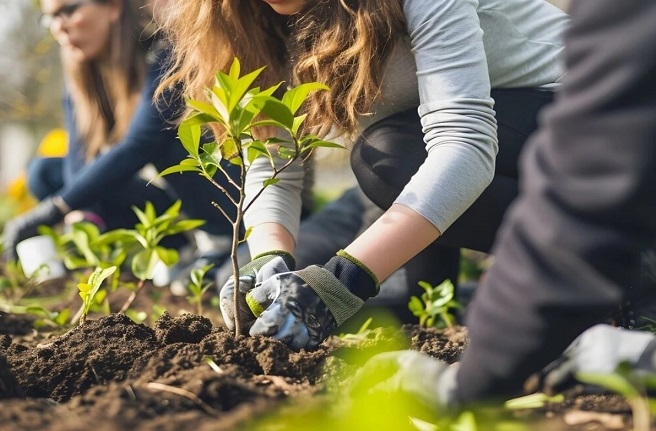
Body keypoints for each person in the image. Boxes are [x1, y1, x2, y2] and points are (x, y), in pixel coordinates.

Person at [347, 0, 656, 411]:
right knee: (391, 155)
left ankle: (653, 264)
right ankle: (651, 266)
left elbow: (597, 178)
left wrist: (475, 379)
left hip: (543, 104)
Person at [158, 0, 571, 345]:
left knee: (385, 157)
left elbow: (465, 144)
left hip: (601, 125)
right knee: (412, 313)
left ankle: (613, 261)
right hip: (462, 144)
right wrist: (267, 258)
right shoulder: (249, 18)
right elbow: (272, 157)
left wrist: (342, 281)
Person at [1, 0, 241, 273]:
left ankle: (217, 243)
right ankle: (166, 251)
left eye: (68, 10)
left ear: (113, 7)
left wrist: (54, 209)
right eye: (51, 18)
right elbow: (79, 158)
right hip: (163, 203)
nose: (59, 27)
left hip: (214, 199)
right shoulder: (81, 80)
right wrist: (80, 214)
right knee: (44, 172)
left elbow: (138, 146)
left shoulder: (167, 56)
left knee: (166, 140)